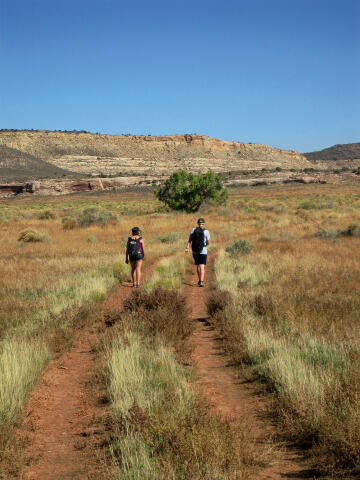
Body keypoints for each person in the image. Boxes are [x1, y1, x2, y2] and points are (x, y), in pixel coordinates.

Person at [185, 218, 210, 287]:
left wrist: (187, 248)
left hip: (195, 251)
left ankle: (199, 280)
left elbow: (189, 240)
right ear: (204, 224)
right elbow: (208, 242)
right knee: (202, 266)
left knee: (198, 265)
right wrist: (204, 245)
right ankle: (201, 281)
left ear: (197, 223)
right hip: (203, 251)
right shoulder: (206, 231)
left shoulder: (193, 230)